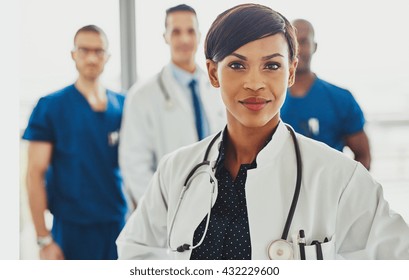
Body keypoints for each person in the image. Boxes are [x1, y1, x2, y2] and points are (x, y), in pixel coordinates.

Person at [116, 4, 409, 260]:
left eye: (271, 65)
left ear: (291, 72)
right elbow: (136, 252)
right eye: (236, 65)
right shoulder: (174, 172)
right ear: (213, 73)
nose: (254, 83)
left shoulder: (340, 178)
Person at [23, 25, 127, 260]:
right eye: (84, 50)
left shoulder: (123, 105)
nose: (91, 57)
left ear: (107, 56)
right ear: (73, 54)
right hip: (71, 231)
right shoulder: (51, 106)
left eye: (98, 51)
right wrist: (43, 239)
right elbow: (34, 174)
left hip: (118, 225)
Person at [119, 4, 225, 207]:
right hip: (170, 208)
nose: (184, 39)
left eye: (190, 31)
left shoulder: (217, 88)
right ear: (165, 37)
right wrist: (164, 210)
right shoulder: (142, 96)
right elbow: (134, 165)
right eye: (176, 32)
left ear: (199, 35)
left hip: (218, 204)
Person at [281, 19, 371, 170]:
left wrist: (345, 191)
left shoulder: (341, 99)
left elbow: (363, 156)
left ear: (314, 47)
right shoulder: (267, 100)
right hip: (281, 191)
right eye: (292, 43)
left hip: (329, 191)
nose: (297, 49)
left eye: (303, 41)